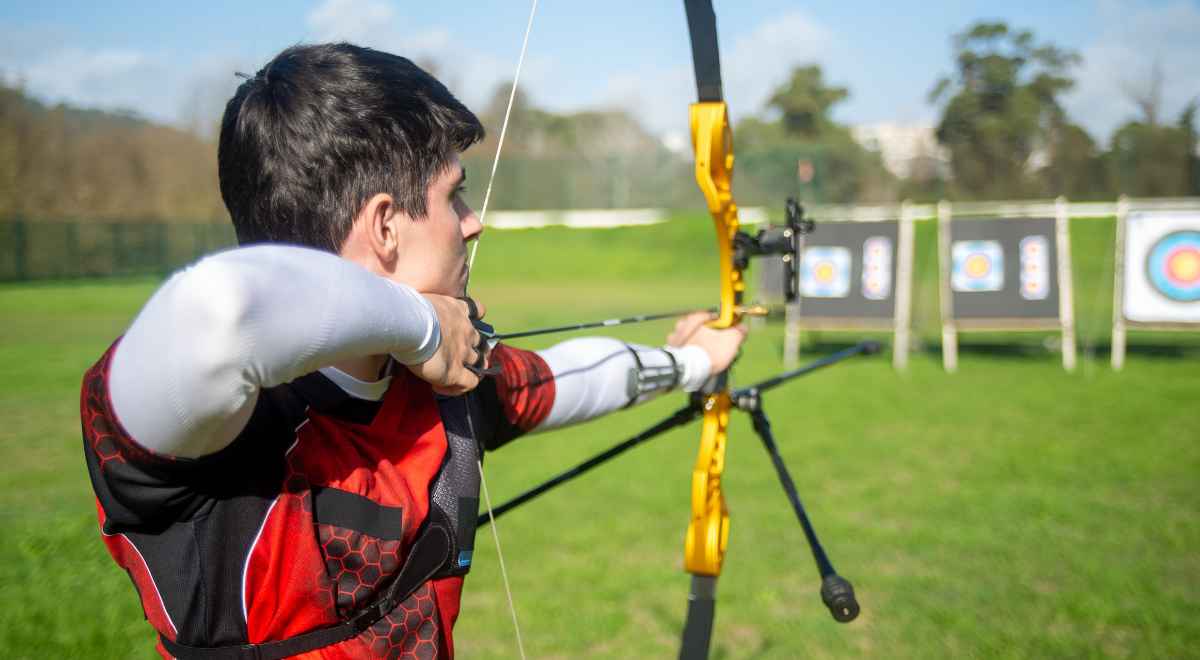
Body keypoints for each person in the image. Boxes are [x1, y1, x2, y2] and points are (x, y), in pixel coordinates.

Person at [80, 43, 746, 659]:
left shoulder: (443, 384)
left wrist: (694, 363)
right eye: (453, 195)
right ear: (385, 226)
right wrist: (420, 325)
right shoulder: (215, 427)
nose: (473, 221)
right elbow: (218, 310)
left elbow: (568, 378)